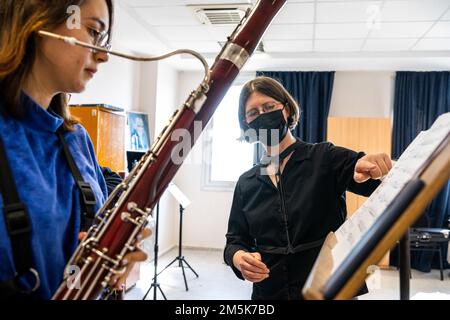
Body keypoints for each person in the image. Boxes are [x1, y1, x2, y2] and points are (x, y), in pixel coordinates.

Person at [0, 0, 149, 299]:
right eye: (94, 31)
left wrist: (113, 261)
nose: (104, 55)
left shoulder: (76, 138)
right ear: (37, 20)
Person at [223, 76, 393, 300]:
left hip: (328, 287)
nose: (262, 116)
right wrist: (238, 257)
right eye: (253, 113)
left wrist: (371, 168)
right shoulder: (247, 183)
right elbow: (234, 241)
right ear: (247, 125)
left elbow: (362, 172)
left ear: (287, 110)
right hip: (270, 291)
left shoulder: (324, 157)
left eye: (269, 106)